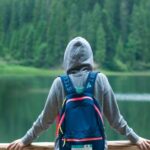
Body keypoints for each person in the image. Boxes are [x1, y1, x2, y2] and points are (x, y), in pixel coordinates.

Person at [7, 37, 150, 150]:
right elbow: (115, 120)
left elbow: (45, 120)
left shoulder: (59, 83)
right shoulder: (100, 80)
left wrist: (24, 140)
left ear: (67, 58)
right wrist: (136, 139)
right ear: (90, 57)